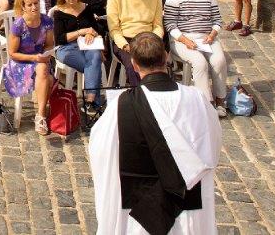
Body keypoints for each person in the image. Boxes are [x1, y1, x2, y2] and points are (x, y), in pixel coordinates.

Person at [90, 32, 221, 235]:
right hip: (187, 202)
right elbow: (213, 141)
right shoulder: (197, 99)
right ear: (166, 57)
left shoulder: (121, 105)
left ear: (134, 65)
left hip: (139, 211)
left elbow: (102, 151)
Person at [164, 0, 228, 116]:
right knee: (200, 63)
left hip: (206, 38)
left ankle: (220, 99)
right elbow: (170, 24)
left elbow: (217, 20)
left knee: (219, 61)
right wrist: (185, 40)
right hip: (182, 39)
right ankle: (206, 102)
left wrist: (212, 34)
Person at [3, 0, 55, 135]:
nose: (34, 7)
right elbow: (12, 53)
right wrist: (34, 58)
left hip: (39, 59)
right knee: (46, 77)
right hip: (21, 62)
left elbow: (49, 44)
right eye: (30, 5)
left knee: (43, 70)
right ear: (23, 7)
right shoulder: (18, 25)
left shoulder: (46, 21)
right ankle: (41, 116)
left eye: (36, 3)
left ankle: (41, 115)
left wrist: (46, 54)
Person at [106, 0, 164, 88]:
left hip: (149, 39)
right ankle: (140, 94)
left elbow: (158, 25)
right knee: (134, 65)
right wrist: (125, 45)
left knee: (160, 64)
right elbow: (114, 29)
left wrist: (153, 41)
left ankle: (158, 93)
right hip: (126, 39)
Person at [52, 0, 104, 110]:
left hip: (87, 44)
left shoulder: (86, 8)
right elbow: (60, 38)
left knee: (95, 56)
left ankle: (90, 99)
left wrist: (90, 33)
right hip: (66, 48)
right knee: (93, 64)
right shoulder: (59, 12)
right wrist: (82, 31)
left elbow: (96, 28)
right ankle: (93, 102)